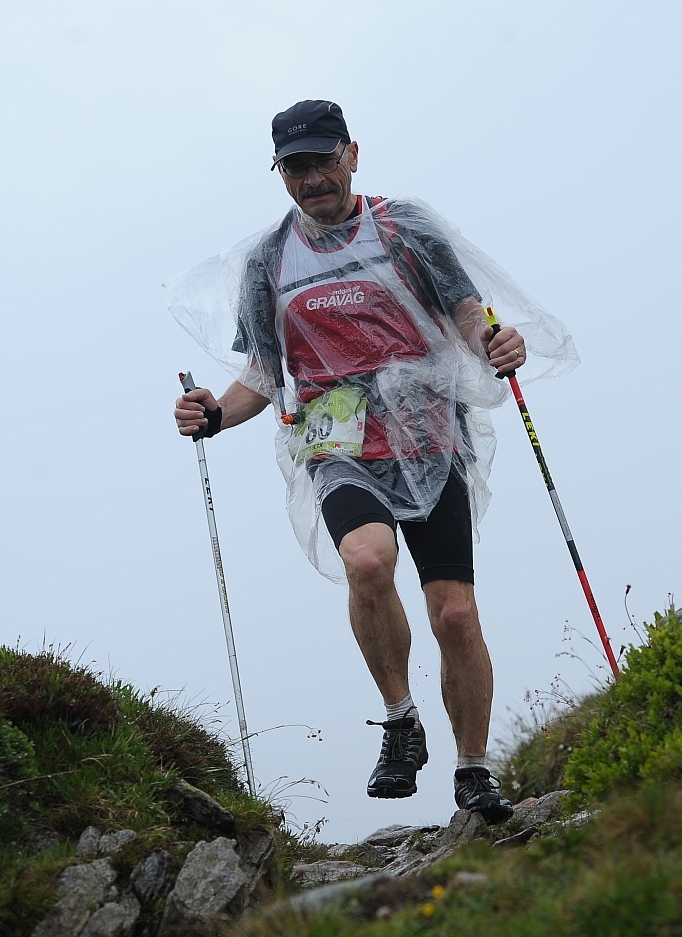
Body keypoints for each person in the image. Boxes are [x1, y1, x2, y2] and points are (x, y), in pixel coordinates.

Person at [172, 100, 537, 823]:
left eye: (324, 161)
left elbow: (468, 314)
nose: (313, 179)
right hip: (338, 445)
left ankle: (473, 770)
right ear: (281, 175)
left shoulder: (405, 228)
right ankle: (400, 722)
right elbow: (263, 373)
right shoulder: (270, 261)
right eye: (296, 167)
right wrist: (214, 414)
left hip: (430, 435)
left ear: (353, 155)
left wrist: (498, 343)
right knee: (367, 563)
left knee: (455, 614)